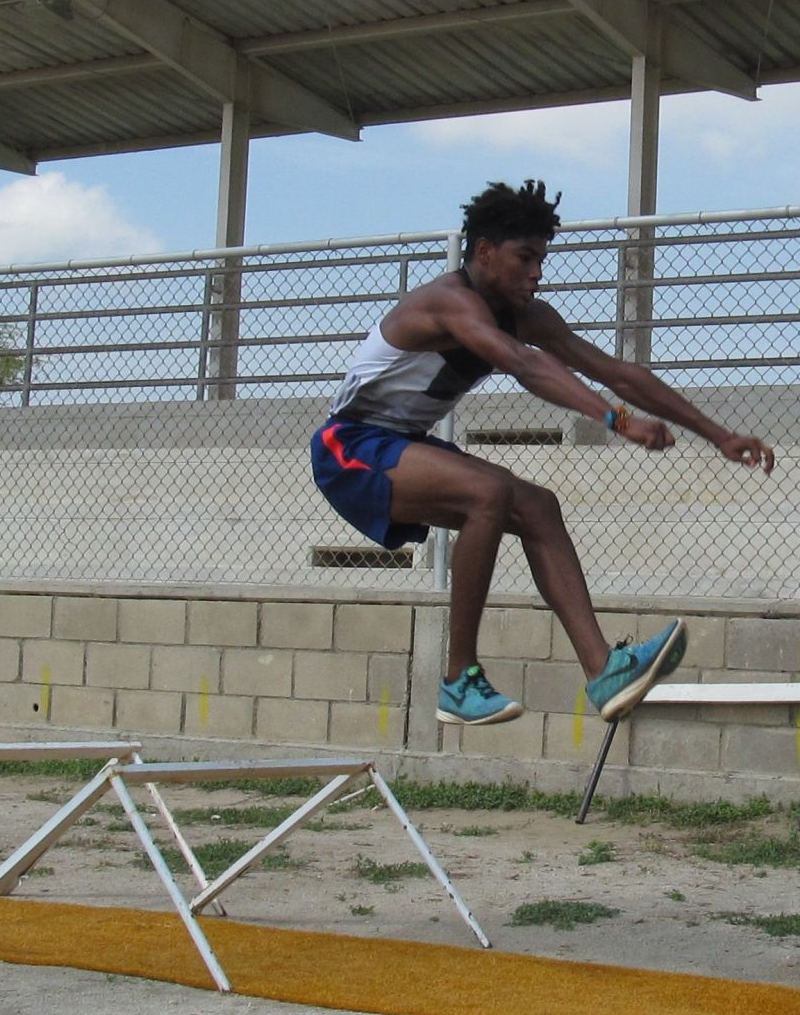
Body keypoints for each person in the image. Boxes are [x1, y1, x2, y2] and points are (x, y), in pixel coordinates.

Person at [312, 178, 775, 728]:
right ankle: (459, 680)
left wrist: (716, 434)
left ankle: (605, 670)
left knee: (538, 506)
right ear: (484, 252)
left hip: (403, 445)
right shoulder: (448, 302)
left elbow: (618, 373)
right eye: (525, 258)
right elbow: (522, 365)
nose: (537, 273)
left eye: (542, 260)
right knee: (490, 493)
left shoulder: (531, 316)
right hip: (350, 446)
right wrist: (615, 421)